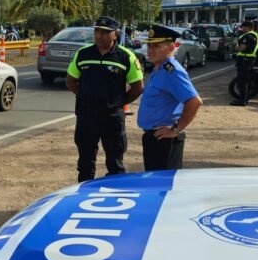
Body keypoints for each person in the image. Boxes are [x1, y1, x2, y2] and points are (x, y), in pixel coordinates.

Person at [66, 15, 144, 182]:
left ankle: (114, 199)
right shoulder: (83, 54)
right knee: (85, 163)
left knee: (115, 164)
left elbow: (138, 87)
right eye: (97, 31)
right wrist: (84, 96)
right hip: (86, 117)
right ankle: (84, 197)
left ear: (115, 34)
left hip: (112, 118)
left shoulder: (126, 56)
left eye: (104, 32)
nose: (99, 35)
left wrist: (119, 102)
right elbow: (71, 81)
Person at [137, 25, 203, 171]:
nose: (150, 50)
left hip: (165, 141)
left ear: (170, 47)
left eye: (156, 46)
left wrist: (176, 129)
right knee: (155, 185)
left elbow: (194, 101)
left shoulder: (171, 71)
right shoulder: (159, 68)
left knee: (163, 187)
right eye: (149, 45)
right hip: (155, 138)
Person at [231, 19, 258, 106]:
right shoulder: (255, 35)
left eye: (243, 27)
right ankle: (244, 99)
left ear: (247, 27)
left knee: (242, 81)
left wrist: (234, 48)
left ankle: (242, 100)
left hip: (244, 59)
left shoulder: (247, 36)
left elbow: (242, 48)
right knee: (245, 80)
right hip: (249, 59)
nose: (242, 28)